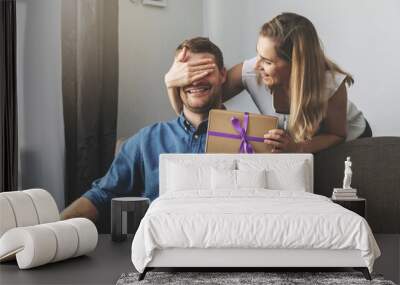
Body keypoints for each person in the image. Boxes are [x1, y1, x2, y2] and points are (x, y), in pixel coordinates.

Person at [61, 37, 227, 221]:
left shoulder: (250, 140)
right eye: (185, 72)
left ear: (223, 74)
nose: (194, 79)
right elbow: (101, 197)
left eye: (204, 70)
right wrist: (51, 228)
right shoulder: (146, 141)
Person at [165, 12, 372, 154]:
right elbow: (196, 110)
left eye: (268, 61)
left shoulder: (331, 85)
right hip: (295, 144)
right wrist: (170, 82)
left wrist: (297, 148)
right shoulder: (253, 70)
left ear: (295, 66)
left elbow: (337, 134)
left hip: (346, 140)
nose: (257, 66)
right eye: (258, 55)